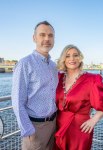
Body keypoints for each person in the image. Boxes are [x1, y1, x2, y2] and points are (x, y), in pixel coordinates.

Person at [54, 44, 103, 150]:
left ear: (80, 58)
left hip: (81, 128)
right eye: (68, 56)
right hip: (58, 124)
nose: (72, 59)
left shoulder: (92, 80)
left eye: (75, 55)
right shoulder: (58, 78)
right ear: (63, 59)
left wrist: (94, 120)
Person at [11, 21, 58, 150]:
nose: (47, 39)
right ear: (34, 38)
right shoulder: (24, 64)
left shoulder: (54, 66)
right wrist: (27, 129)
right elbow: (17, 101)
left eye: (50, 35)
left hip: (53, 124)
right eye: (42, 35)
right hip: (34, 127)